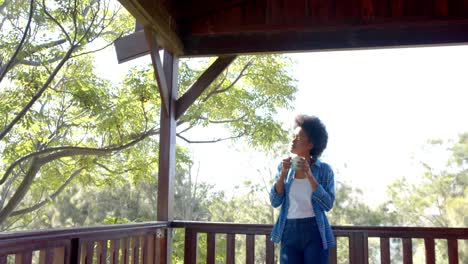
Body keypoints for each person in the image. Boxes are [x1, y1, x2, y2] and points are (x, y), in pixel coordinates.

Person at [269, 114, 335, 263]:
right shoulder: (283, 167)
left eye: (298, 137)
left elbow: (328, 204)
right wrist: (282, 175)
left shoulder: (324, 170)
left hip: (315, 231)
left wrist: (310, 176)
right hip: (289, 231)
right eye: (293, 136)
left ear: (310, 144)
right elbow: (274, 201)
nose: (293, 140)